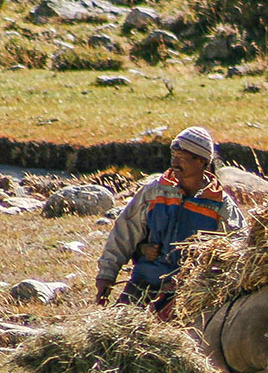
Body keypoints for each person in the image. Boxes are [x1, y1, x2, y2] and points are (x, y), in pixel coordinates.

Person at [94, 126, 245, 314]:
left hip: (191, 293)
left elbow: (237, 251)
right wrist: (107, 275)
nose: (174, 162)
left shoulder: (220, 205)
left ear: (201, 161)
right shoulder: (155, 191)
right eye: (173, 156)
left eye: (181, 158)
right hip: (145, 282)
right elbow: (125, 232)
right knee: (115, 332)